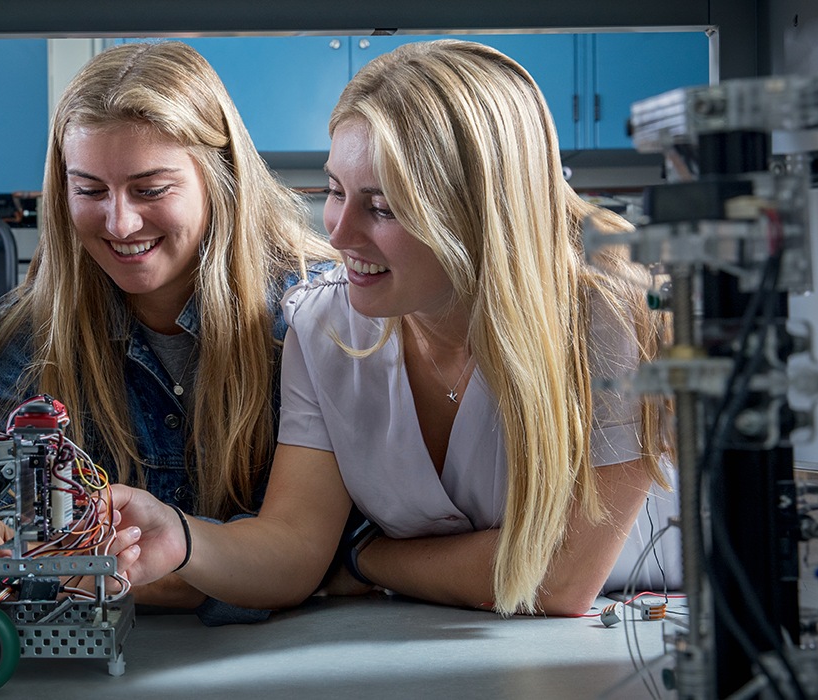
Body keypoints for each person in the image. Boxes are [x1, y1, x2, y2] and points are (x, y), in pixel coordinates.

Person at [105, 40, 672, 616]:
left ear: (475, 214)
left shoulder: (607, 314)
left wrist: (364, 557)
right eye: (334, 192)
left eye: (382, 207)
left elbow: (559, 581)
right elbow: (293, 549)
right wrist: (182, 539)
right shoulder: (322, 323)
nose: (339, 235)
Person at [0, 41, 335, 622]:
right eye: (90, 190)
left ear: (218, 176)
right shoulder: (27, 338)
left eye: (151, 189)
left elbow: (335, 548)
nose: (120, 222)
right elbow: (18, 559)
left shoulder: (313, 310)